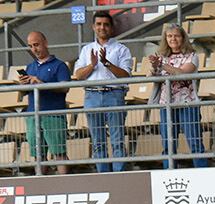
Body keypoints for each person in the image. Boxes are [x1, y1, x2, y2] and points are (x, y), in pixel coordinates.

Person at [71, 13, 132, 173]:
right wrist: (92, 65)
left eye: (105, 24)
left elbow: (125, 75)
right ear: (93, 27)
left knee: (117, 139)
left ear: (111, 27)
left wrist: (106, 63)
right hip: (92, 95)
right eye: (98, 24)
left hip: (114, 94)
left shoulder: (121, 49)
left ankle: (119, 175)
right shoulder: (86, 49)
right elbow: (78, 75)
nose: (102, 27)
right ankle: (103, 175)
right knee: (98, 141)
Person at [148, 26, 206, 168]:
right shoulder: (161, 56)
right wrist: (155, 67)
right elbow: (152, 77)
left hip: (188, 104)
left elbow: (182, 73)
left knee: (195, 142)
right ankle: (169, 174)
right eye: (169, 36)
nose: (173, 39)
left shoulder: (192, 56)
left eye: (176, 36)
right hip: (167, 105)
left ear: (183, 38)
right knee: (168, 144)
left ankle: (203, 174)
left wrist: (162, 65)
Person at [17, 31, 71, 176]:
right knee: (38, 155)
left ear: (45, 43)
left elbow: (65, 87)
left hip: (53, 114)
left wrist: (41, 83)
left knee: (59, 153)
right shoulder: (30, 67)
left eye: (36, 45)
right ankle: (41, 185)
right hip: (33, 115)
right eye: (30, 46)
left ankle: (65, 184)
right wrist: (23, 85)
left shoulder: (60, 66)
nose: (34, 49)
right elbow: (24, 93)